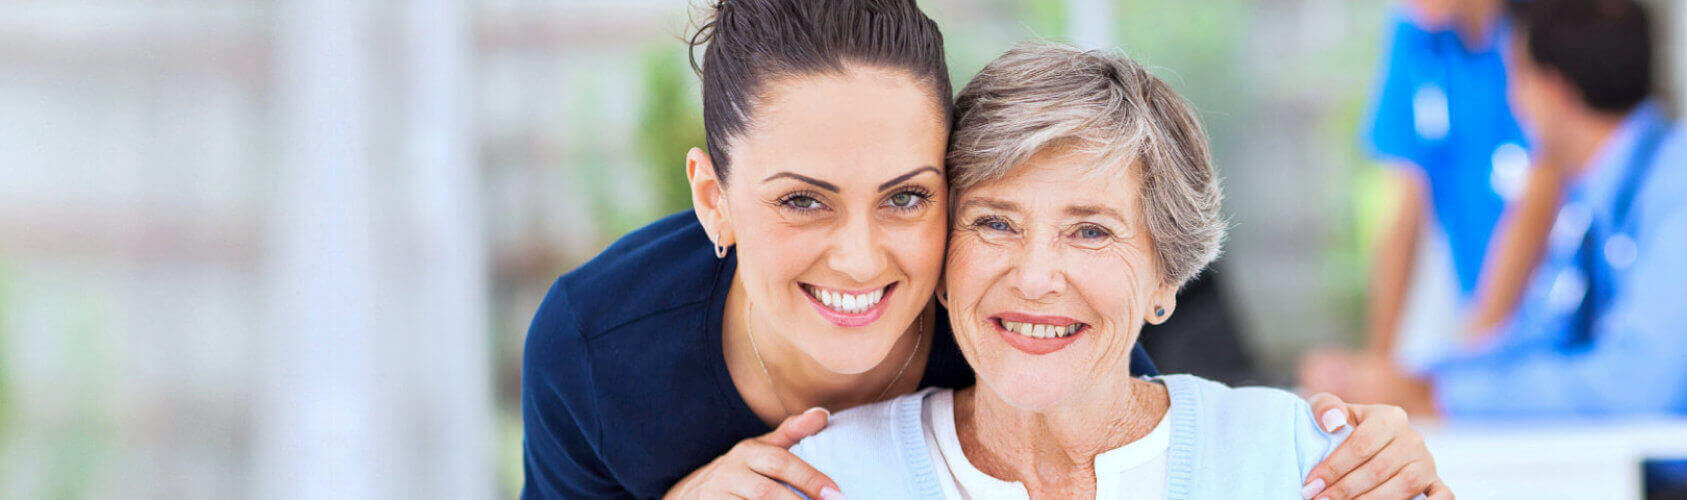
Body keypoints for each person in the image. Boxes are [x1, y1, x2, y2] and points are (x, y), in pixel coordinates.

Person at [519, 1, 1444, 498]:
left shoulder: (1021, 327)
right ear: (713, 199)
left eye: (908, 197)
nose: (860, 256)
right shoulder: (595, 347)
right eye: (803, 200)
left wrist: (1387, 457)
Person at [791, 43, 1454, 500]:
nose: (1036, 276)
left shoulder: (1300, 458)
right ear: (941, 260)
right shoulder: (826, 476)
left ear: (1166, 277)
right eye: (995, 222)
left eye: (1090, 231)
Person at [1309, 0, 1687, 497]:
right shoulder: (1606, 194)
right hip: (1683, 475)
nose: (1513, 100)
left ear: (1554, 90)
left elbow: (1630, 386)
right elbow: (1545, 335)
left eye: (1516, 76)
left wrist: (1442, 397)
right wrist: (1419, 380)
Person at [1316, 0, 1565, 384]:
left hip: (1550, 319)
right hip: (1478, 315)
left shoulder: (1539, 32)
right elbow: (1406, 207)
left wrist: (1471, 357)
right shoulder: (1415, 35)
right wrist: (1377, 368)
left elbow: (1540, 196)